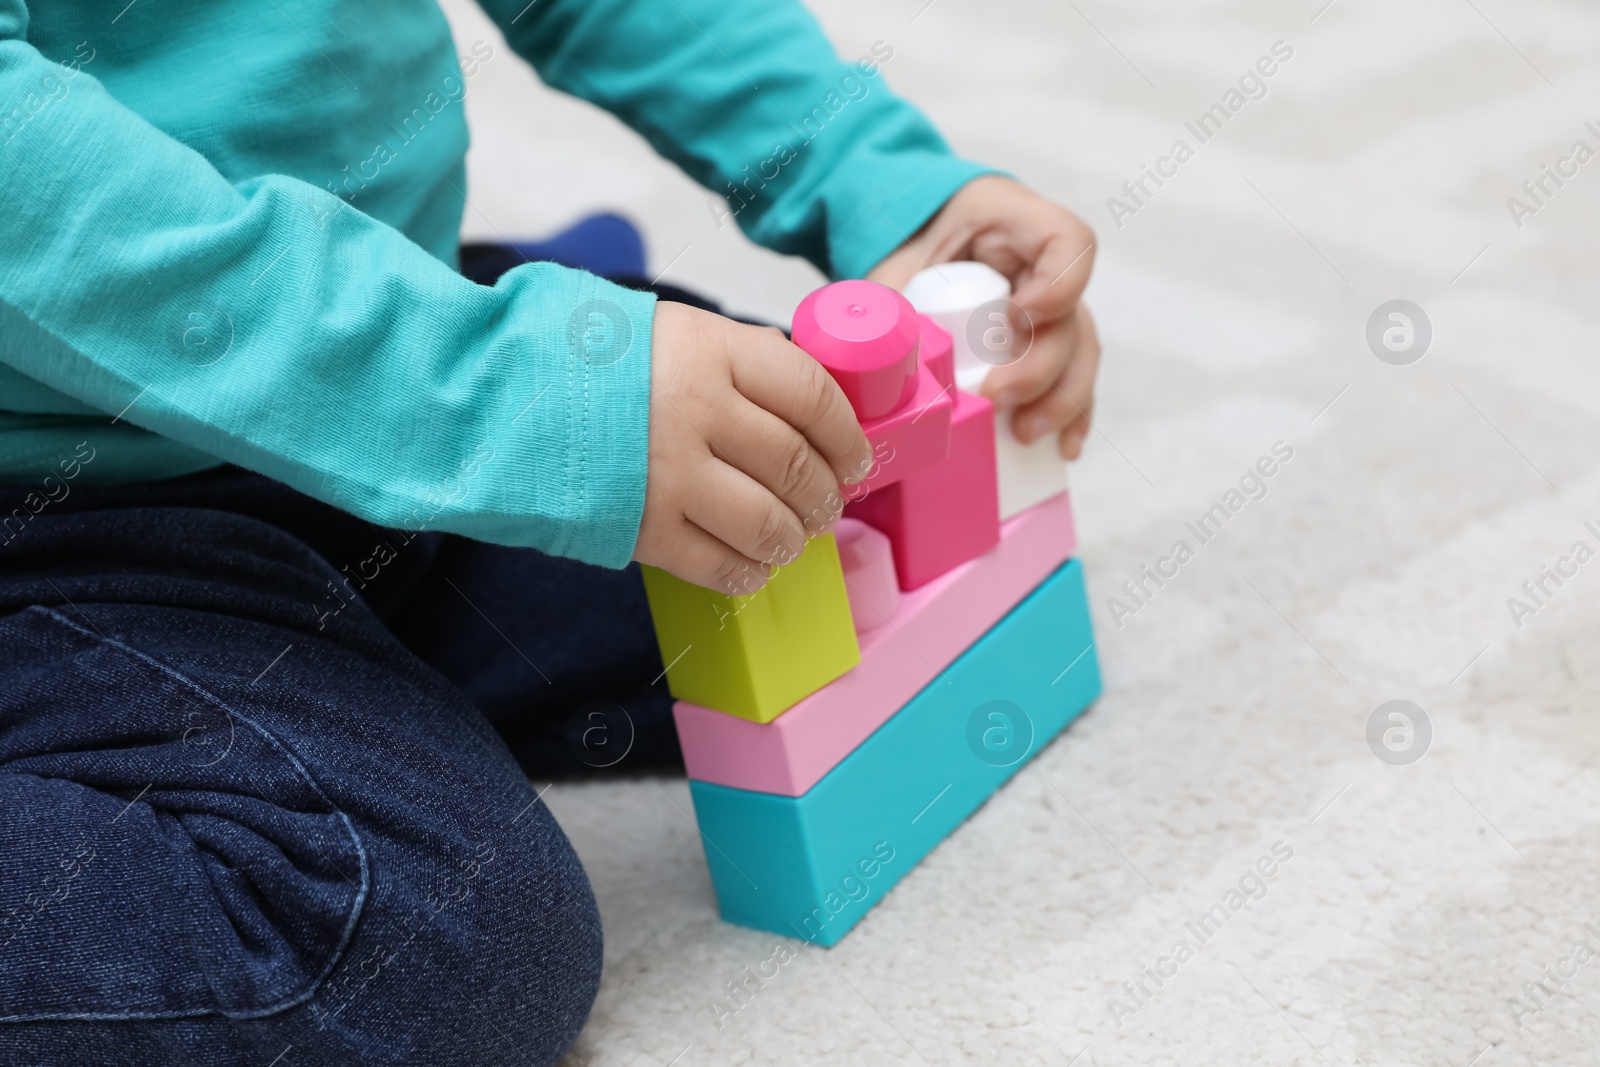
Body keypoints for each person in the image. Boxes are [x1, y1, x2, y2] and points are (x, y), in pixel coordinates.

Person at [0, 0, 1100, 1062]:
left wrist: (872, 178)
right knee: (407, 942)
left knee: (816, 494)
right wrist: (510, 394)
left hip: (374, 348)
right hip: (64, 504)